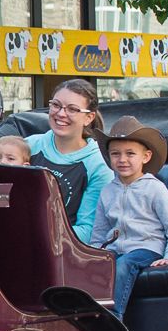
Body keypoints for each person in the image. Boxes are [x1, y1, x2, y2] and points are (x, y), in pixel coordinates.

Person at [90, 118, 168, 320]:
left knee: (124, 265)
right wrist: (94, 256)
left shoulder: (154, 188)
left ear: (146, 156)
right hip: (114, 249)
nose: (122, 159)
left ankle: (114, 318)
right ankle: (89, 316)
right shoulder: (107, 191)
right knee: (96, 269)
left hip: (146, 247)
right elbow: (99, 231)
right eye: (116, 154)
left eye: (130, 153)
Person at [26, 78, 112, 241]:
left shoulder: (99, 165)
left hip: (65, 254)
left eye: (72, 109)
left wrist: (36, 234)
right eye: (56, 105)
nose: (61, 113)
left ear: (89, 117)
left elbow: (88, 230)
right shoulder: (29, 146)